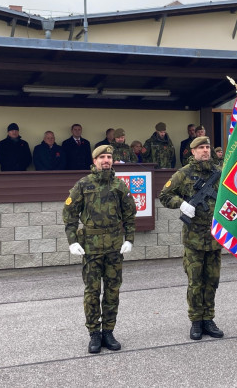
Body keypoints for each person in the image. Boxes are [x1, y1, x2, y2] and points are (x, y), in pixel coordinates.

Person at [63, 145, 136, 354]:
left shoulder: (119, 186)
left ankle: (108, 332)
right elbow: (69, 215)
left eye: (109, 157)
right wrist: (72, 241)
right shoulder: (83, 185)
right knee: (92, 292)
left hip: (114, 247)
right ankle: (94, 333)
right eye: (102, 157)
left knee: (112, 290)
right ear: (94, 161)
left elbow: (130, 214)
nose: (106, 160)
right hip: (91, 248)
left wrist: (129, 239)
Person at [158, 136, 224, 341]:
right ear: (192, 152)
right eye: (201, 148)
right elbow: (165, 195)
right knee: (195, 281)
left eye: (207, 147)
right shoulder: (183, 174)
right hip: (194, 239)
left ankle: (209, 319)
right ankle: (196, 321)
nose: (205, 151)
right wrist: (181, 203)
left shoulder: (219, 173)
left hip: (214, 237)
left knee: (212, 281)